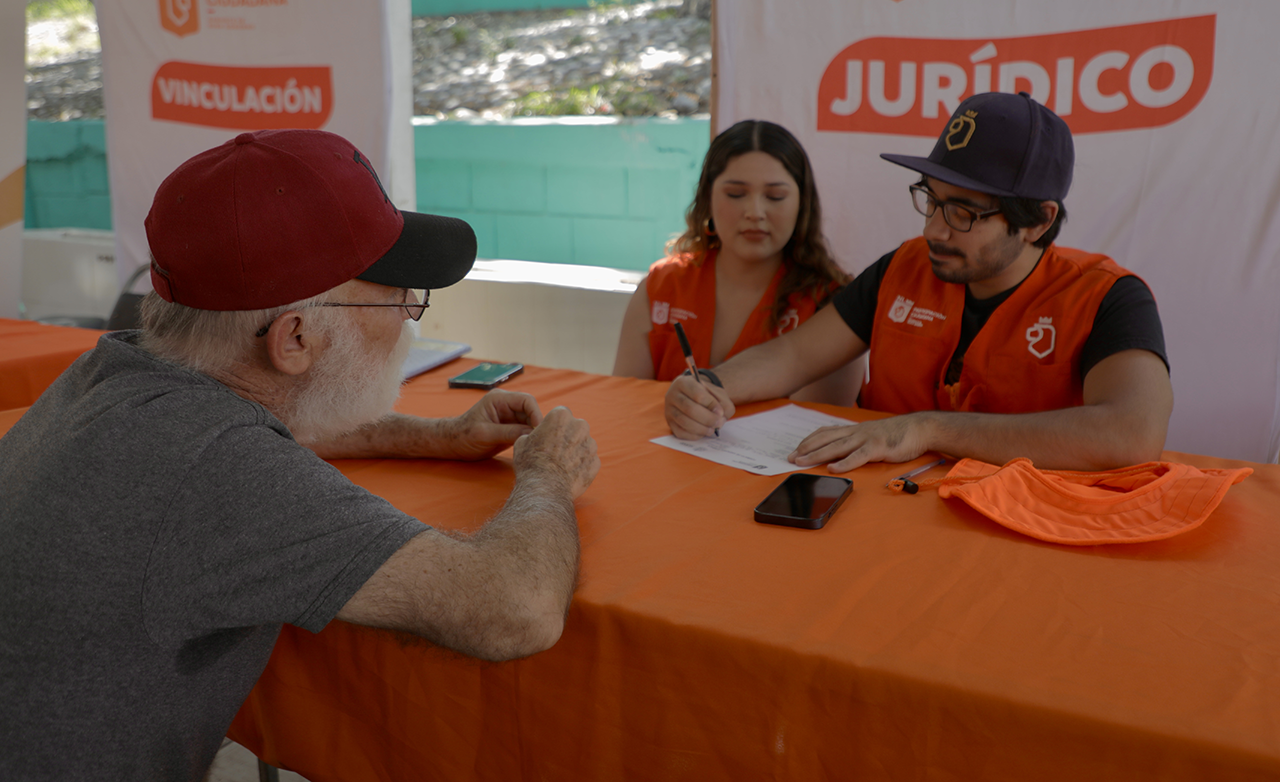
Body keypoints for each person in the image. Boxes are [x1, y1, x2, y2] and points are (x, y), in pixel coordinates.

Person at [0, 129, 600, 782]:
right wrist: (548, 473)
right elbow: (515, 609)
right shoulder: (221, 470)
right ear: (295, 338)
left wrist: (438, 437)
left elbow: (245, 437)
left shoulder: (115, 375)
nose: (409, 313)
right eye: (399, 295)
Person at [664, 92, 1173, 472]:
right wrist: (708, 387)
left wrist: (928, 428)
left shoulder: (1106, 297)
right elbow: (794, 355)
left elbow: (1132, 433)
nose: (933, 229)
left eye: (963, 212)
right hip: (878, 519)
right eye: (930, 199)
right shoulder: (905, 267)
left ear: (1038, 221)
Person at [613, 119, 856, 405]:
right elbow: (625, 407)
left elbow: (815, 425)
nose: (755, 212)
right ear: (707, 198)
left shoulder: (832, 303)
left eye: (775, 196)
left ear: (802, 204)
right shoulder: (662, 287)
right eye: (736, 194)